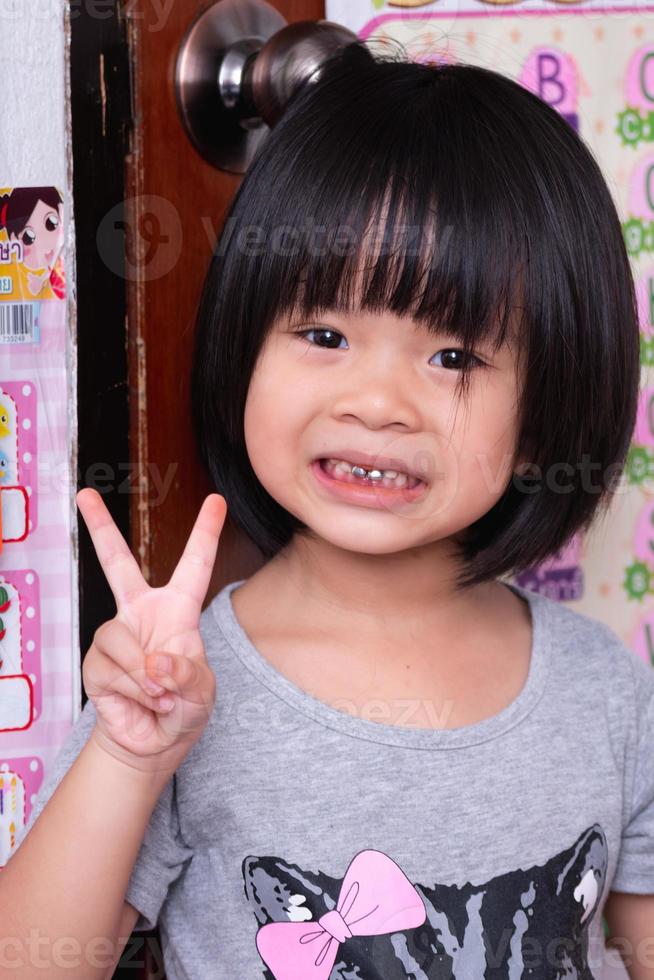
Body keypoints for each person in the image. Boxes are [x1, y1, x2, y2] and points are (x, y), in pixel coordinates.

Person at [2, 41, 652, 980]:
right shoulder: (178, 689)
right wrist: (131, 753)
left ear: (551, 408)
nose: (377, 402)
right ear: (242, 346)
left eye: (454, 357)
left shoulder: (609, 697)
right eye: (324, 333)